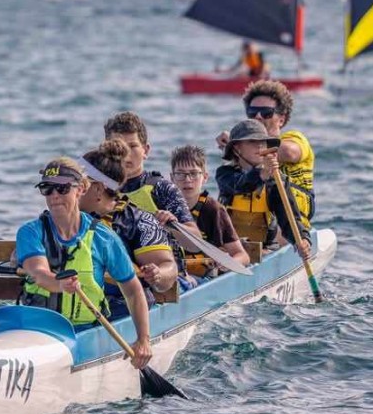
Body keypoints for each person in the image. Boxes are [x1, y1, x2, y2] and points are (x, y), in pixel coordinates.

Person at [15, 158, 152, 370]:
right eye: (47, 189)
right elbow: (39, 273)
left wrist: (143, 340)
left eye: (62, 188)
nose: (54, 196)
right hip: (38, 330)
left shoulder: (103, 237)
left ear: (81, 189)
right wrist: (60, 284)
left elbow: (133, 290)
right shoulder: (30, 232)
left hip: (85, 331)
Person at [77, 140, 179, 317]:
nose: (68, 191)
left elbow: (168, 266)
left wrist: (158, 274)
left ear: (98, 189)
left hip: (121, 307)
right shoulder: (62, 218)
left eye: (78, 185)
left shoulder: (139, 221)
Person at [103, 112, 201, 290]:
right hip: (116, 278)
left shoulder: (162, 188)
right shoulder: (98, 190)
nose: (125, 155)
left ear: (146, 150)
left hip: (166, 280)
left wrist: (172, 225)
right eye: (119, 147)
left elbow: (195, 244)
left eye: (132, 146)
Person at [215, 80, 315, 230]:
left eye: (266, 112)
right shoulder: (240, 147)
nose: (258, 117)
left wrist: (239, 145)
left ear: (281, 119)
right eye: (252, 112)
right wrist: (237, 146)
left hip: (288, 225)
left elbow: (289, 152)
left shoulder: (295, 138)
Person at [215, 120, 310, 259]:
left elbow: (290, 219)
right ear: (237, 148)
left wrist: (302, 238)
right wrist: (261, 175)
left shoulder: (277, 181)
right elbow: (240, 186)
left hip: (263, 248)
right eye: (252, 141)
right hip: (229, 246)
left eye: (263, 141)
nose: (259, 145)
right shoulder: (225, 174)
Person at [169, 144, 250, 279]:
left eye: (194, 174)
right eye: (180, 174)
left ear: (205, 177)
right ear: (172, 178)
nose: (187, 180)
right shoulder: (164, 208)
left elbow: (242, 255)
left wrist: (225, 264)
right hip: (176, 275)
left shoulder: (213, 210)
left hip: (206, 277)